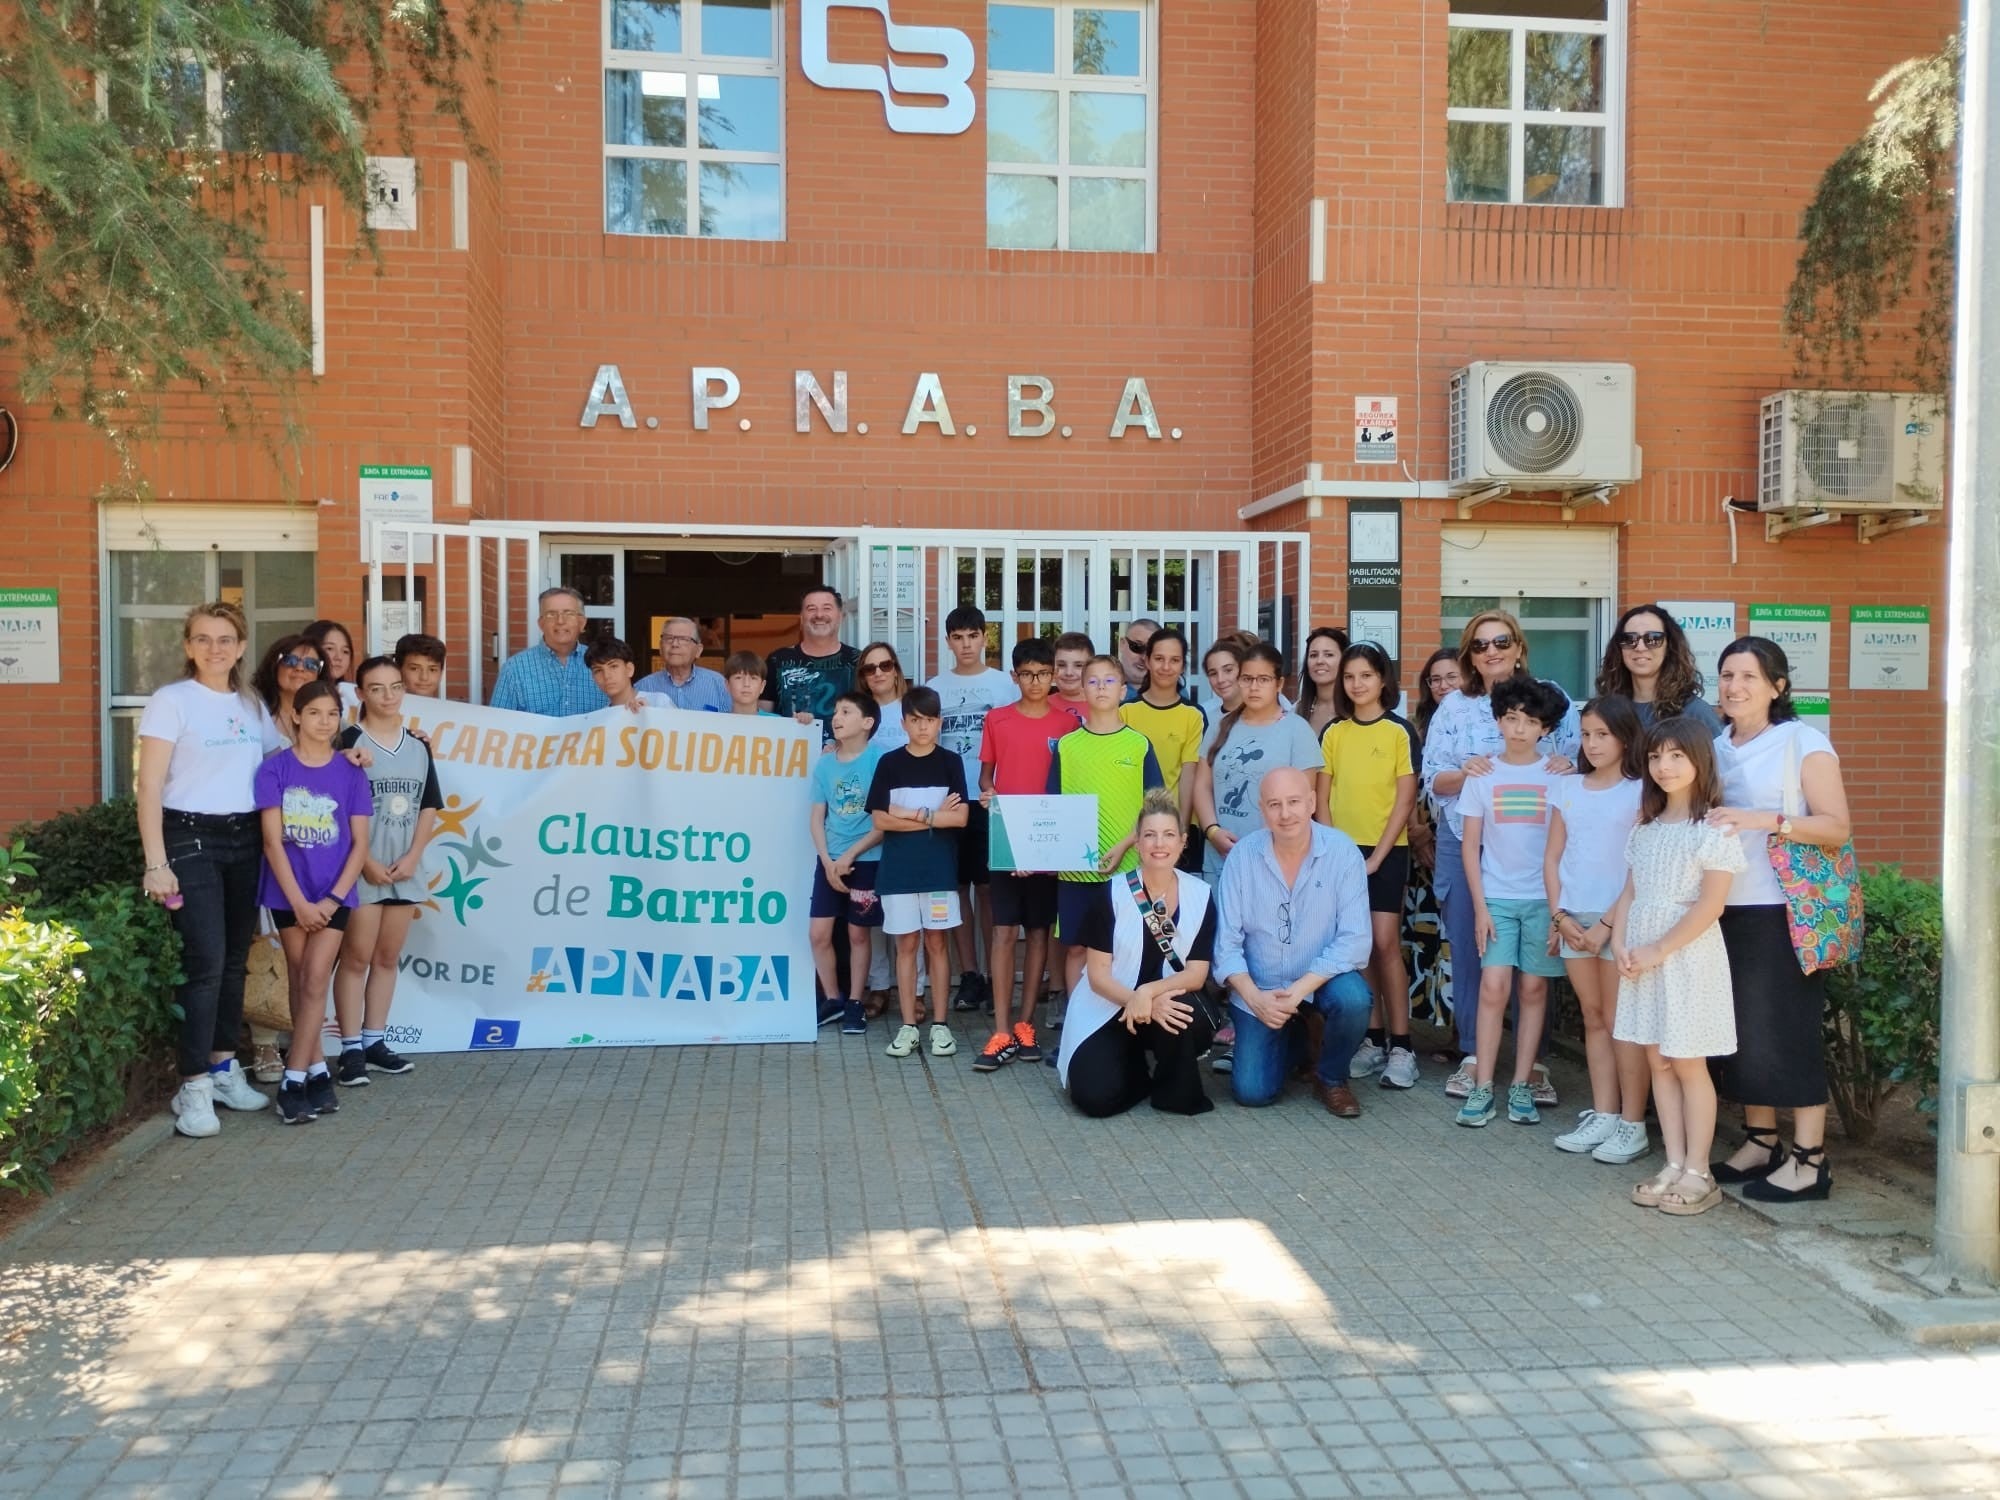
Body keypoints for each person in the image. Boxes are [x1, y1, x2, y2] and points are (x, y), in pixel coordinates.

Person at [1706, 637, 1853, 1203]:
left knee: (1786, 1031)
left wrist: (1764, 819)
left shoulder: (1801, 741)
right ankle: (1761, 1141)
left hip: (1783, 908)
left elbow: (1836, 825)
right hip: (1724, 905)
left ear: (1777, 687)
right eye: (1725, 675)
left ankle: (1811, 1161)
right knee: (1741, 1033)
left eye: (1748, 676)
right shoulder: (1716, 745)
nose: (1734, 686)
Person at [137, 602, 284, 1138]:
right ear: (188, 646)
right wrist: (157, 862)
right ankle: (193, 1085)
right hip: (190, 835)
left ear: (241, 647)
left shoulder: (250, 704)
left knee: (232, 965)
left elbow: (282, 762)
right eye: (203, 639)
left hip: (245, 838)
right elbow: (149, 785)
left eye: (225, 639)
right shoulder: (171, 701)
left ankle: (223, 1069)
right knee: (205, 961)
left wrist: (348, 754)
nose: (215, 648)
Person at [1422, 609, 1579, 1104]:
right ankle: (1474, 1056)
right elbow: (1434, 780)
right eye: (1480, 645)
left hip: (1538, 845)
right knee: (1474, 947)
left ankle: (1532, 1066)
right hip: (1466, 838)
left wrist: (1567, 764)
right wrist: (1467, 772)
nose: (1492, 652)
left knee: (1538, 956)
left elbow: (1579, 763)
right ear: (1469, 653)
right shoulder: (1454, 707)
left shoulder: (1552, 698)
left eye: (1501, 642)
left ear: (1518, 646)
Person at [1609, 718, 1747, 1215]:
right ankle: (1672, 1161)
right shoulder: (1644, 827)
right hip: (1642, 958)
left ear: (1698, 761)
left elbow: (1711, 906)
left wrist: (1659, 949)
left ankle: (1699, 1170)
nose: (1663, 767)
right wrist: (1622, 944)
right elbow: (1630, 892)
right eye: (1654, 757)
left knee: (1688, 1062)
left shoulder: (1712, 829)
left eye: (1675, 756)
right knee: (1657, 1061)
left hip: (1687, 957)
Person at [1213, 767, 1375, 1116]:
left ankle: (1331, 1078)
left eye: (1294, 802)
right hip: (1261, 987)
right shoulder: (1242, 858)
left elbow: (1356, 940)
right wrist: (1255, 999)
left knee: (1355, 1000)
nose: (1285, 814)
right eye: (1274, 804)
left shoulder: (1343, 852)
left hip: (1321, 981)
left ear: (1312, 802)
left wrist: (1301, 989)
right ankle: (1297, 1038)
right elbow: (1225, 946)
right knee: (1252, 1092)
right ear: (1262, 809)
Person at [1453, 675, 1572, 1128]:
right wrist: (1480, 908)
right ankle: (1483, 1084)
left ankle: (1522, 1083)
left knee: (1534, 989)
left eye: (1530, 721)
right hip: (1497, 898)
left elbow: (1565, 846)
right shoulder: (1483, 775)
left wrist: (1559, 911)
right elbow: (1470, 847)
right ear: (1499, 721)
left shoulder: (1559, 775)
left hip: (1544, 900)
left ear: (1545, 728)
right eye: (1511, 718)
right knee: (1493, 988)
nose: (1519, 728)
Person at [1057, 788, 1218, 1117]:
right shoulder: (1112, 894)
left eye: (1169, 835)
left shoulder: (1201, 895)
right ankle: (1133, 1065)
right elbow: (1098, 977)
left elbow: (1196, 974)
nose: (1160, 844)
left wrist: (1149, 994)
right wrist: (1135, 1000)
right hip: (1109, 1005)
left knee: (1186, 1014)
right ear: (1139, 843)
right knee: (1095, 1100)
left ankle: (1173, 1089)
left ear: (1183, 841)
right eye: (1150, 835)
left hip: (1165, 1002)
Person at [255, 679, 373, 1125]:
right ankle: (320, 1070)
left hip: (334, 894)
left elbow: (360, 844)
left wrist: (330, 899)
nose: (325, 722)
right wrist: (300, 903)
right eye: (316, 713)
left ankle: (293, 1080)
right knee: (302, 980)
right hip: (288, 893)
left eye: (333, 714)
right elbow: (271, 841)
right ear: (297, 717)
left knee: (316, 978)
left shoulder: (351, 772)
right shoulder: (274, 771)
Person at [1544, 695, 1650, 1163]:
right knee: (1592, 1018)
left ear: (1626, 736)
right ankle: (1604, 1113)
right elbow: (1552, 857)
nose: (1592, 743)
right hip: (1574, 919)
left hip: (1619, 921)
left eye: (1603, 733)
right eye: (1586, 734)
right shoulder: (1567, 789)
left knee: (1619, 1021)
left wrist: (1609, 924)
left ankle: (1633, 1123)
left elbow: (1639, 865)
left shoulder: (1642, 790)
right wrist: (1560, 917)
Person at [1316, 643, 1419, 1090]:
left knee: (1384, 943)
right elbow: (1322, 795)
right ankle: (1372, 1039)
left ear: (1383, 680)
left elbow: (1405, 798)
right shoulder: (1334, 732)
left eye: (1366, 676)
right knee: (1357, 949)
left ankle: (1403, 1045)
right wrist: (1340, 851)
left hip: (1386, 853)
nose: (1357, 684)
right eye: (1350, 676)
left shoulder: (1399, 731)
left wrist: (1376, 857)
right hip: (1343, 852)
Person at [330, 657, 437, 1086]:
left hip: (404, 866)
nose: (388, 696)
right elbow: (333, 810)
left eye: (395, 687)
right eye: (377, 688)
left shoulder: (418, 744)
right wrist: (366, 862)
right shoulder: (348, 743)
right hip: (362, 867)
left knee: (387, 957)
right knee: (355, 957)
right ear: (360, 694)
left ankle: (376, 1041)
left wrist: (413, 856)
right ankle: (350, 1047)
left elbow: (428, 803)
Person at [974, 638, 1075, 1072]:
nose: (1036, 682)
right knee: (1002, 932)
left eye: (1043, 673)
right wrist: (987, 793)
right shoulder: (996, 720)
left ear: (1053, 675)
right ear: (1014, 676)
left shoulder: (1069, 724)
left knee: (1038, 933)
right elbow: (985, 775)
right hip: (1007, 838)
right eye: (1027, 674)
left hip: (1049, 843)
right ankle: (999, 1029)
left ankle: (1025, 1023)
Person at [1048, 655, 1164, 995]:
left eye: (1109, 681)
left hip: (1126, 867)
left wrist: (1125, 844)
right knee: (1077, 948)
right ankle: (1077, 1032)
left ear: (1124, 690)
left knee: (1122, 948)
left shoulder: (1138, 744)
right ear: (1082, 689)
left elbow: (1156, 807)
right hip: (1075, 870)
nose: (1101, 687)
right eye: (1093, 681)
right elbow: (1051, 807)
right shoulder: (1067, 746)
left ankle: (1123, 1030)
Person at [867, 686, 969, 1060]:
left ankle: (940, 1025)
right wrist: (930, 818)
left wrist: (907, 814)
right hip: (897, 872)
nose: (923, 727)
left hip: (939, 871)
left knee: (937, 944)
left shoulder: (950, 762)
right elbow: (879, 818)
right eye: (915, 720)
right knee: (906, 946)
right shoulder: (890, 763)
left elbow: (959, 818)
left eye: (929, 720)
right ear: (904, 722)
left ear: (939, 723)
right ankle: (908, 1025)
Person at [927, 606, 1019, 1015]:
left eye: (972, 636)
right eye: (957, 637)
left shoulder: (1005, 686)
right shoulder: (935, 687)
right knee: (956, 888)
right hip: (949, 800)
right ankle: (970, 974)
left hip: (989, 800)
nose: (965, 644)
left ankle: (995, 972)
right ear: (948, 641)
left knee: (988, 889)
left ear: (985, 638)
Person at [1193, 643, 1324, 880]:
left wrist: (1260, 844)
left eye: (1263, 679)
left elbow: (1303, 800)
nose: (1254, 687)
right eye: (1247, 678)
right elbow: (1202, 784)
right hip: (1221, 856)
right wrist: (1212, 831)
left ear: (1279, 684)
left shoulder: (1297, 730)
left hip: (1275, 857)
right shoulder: (1219, 725)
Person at [810, 692, 886, 1035]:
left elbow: (883, 823)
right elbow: (816, 817)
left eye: (845, 712)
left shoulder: (879, 760)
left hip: (866, 859)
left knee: (858, 933)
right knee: (819, 934)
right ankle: (833, 1000)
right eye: (835, 712)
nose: (836, 717)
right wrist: (828, 861)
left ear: (867, 723)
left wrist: (850, 856)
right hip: (829, 861)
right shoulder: (824, 764)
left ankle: (856, 1001)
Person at [1120, 629, 1206, 869]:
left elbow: (1189, 773)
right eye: (1159, 658)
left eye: (1174, 660)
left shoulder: (1193, 715)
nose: (1166, 666)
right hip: (1134, 828)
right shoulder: (1125, 712)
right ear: (1146, 661)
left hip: (1175, 829)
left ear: (1183, 665)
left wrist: (1182, 828)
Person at [1596, 604, 1725, 735]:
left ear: (1669, 646)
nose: (1640, 647)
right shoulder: (1606, 710)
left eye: (1653, 639)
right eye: (1629, 639)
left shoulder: (1695, 713)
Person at [489, 586, 608, 716]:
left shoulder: (603, 664)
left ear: (582, 622)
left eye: (568, 613)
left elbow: (623, 708)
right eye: (551, 614)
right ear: (541, 623)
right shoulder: (515, 668)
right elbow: (499, 722)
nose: (560, 621)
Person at [763, 584, 860, 737]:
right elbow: (762, 716)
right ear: (801, 618)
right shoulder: (778, 660)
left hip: (841, 758)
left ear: (840, 616)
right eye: (811, 609)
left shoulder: (858, 661)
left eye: (827, 608)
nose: (819, 615)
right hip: (787, 755)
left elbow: (871, 715)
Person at [636, 616, 732, 712]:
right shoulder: (643, 687)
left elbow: (733, 723)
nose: (675, 644)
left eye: (683, 639)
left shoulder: (719, 685)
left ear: (698, 650)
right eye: (669, 638)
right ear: (661, 648)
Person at [253, 633, 327, 745]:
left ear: (319, 674)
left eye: (311, 664)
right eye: (290, 661)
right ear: (274, 666)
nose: (300, 668)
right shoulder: (254, 712)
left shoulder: (328, 716)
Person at [1294, 626, 1351, 738]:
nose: (1319, 661)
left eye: (1329, 655)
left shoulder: (1357, 708)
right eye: (1313, 655)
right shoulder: (1297, 710)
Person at [857, 641, 911, 751]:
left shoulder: (915, 707)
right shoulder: (855, 714)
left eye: (885, 666)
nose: (878, 673)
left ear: (895, 671)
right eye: (870, 669)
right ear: (863, 677)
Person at [585, 635, 653, 709]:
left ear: (629, 669)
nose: (606, 676)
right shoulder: (601, 717)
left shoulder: (658, 701)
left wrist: (648, 713)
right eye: (598, 670)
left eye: (613, 666)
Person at [304, 619, 359, 707]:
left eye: (345, 651)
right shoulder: (297, 692)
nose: (338, 657)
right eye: (329, 648)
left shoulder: (353, 696)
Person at [1051, 631, 1095, 723]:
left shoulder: (1104, 706)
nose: (1069, 673)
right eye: (1061, 665)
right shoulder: (1040, 706)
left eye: (1078, 665)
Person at [394, 633, 448, 699]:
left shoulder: (451, 708)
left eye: (432, 670)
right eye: (414, 669)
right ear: (398, 670)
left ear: (441, 672)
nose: (424, 677)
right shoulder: (384, 709)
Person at [1202, 639, 1244, 715]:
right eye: (1213, 673)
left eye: (1228, 670)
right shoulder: (1204, 720)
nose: (1220, 679)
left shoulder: (1267, 717)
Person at [1119, 617, 1162, 691]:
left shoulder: (1173, 692)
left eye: (1151, 651)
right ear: (1122, 644)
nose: (1144, 657)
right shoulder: (1101, 686)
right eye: (1137, 647)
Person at [724, 650, 771, 715]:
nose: (746, 684)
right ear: (727, 685)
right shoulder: (716, 722)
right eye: (738, 677)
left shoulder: (778, 723)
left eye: (753, 678)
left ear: (762, 686)